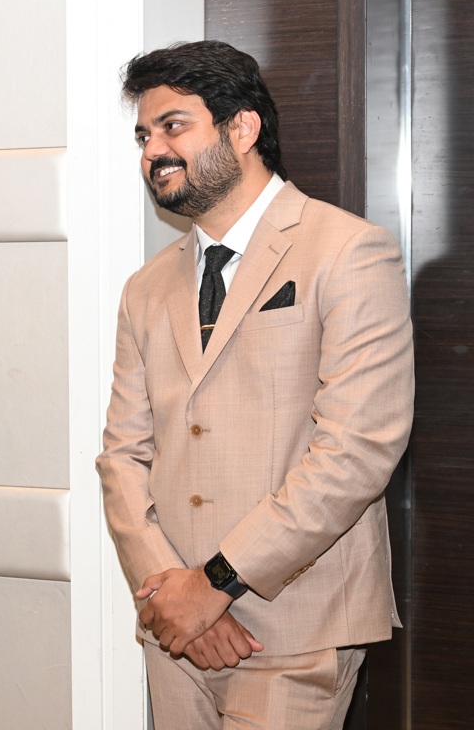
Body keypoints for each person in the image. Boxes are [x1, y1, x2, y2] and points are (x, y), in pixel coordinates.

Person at [96, 41, 414, 728]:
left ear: (242, 128)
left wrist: (216, 584)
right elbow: (122, 456)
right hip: (175, 634)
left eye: (173, 126)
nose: (154, 151)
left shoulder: (347, 250)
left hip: (296, 626)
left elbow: (357, 450)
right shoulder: (145, 287)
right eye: (144, 136)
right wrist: (169, 593)